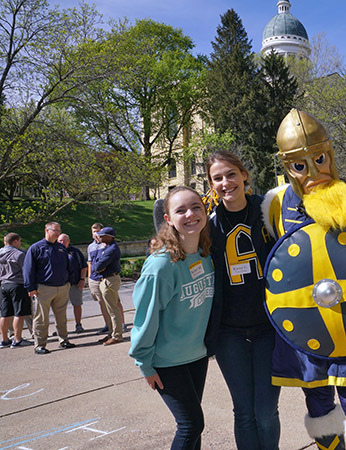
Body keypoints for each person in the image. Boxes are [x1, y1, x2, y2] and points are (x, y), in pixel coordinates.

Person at [263, 109, 346, 450]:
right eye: (300, 165)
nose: (314, 172)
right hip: (307, 324)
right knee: (316, 396)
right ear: (287, 166)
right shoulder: (276, 206)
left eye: (319, 159)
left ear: (330, 154)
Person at [204, 150, 281, 449]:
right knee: (244, 412)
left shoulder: (268, 209)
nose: (226, 182)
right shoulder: (208, 223)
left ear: (244, 175)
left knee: (265, 411)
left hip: (268, 327)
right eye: (218, 178)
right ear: (211, 183)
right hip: (229, 332)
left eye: (231, 174)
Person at [129, 186, 214, 449]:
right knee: (191, 425)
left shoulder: (205, 254)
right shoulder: (161, 265)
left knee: (193, 428)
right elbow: (145, 317)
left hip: (196, 355)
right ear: (168, 219)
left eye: (196, 207)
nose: (190, 214)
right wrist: (144, 362)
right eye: (181, 210)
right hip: (167, 360)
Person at [22, 222, 76, 354]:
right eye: (55, 230)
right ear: (47, 230)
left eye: (59, 230)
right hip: (44, 288)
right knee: (41, 318)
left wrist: (69, 282)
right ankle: (40, 345)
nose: (58, 233)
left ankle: (64, 340)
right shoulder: (36, 248)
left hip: (62, 287)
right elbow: (28, 269)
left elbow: (68, 267)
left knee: (61, 317)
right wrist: (30, 287)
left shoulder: (61, 248)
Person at [92, 227, 124, 345]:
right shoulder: (106, 248)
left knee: (112, 309)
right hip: (105, 279)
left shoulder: (112, 249)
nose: (99, 237)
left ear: (110, 237)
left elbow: (97, 266)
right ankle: (111, 333)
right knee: (107, 309)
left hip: (110, 280)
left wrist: (98, 265)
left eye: (102, 235)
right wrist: (98, 264)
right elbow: (97, 263)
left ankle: (117, 335)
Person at [0, 233, 32, 348]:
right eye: (19, 241)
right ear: (15, 241)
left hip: (3, 284)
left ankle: (4, 339)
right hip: (17, 284)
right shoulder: (19, 254)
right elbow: (27, 270)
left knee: (5, 314)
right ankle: (17, 339)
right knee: (19, 313)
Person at [57, 234, 87, 333]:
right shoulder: (54, 251)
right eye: (60, 240)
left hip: (75, 283)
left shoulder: (75, 252)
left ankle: (78, 324)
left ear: (69, 241)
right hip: (60, 284)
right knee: (60, 307)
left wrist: (82, 280)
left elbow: (83, 266)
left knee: (77, 304)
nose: (62, 242)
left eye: (64, 240)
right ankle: (61, 327)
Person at [88, 222, 111, 334]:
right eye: (94, 232)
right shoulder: (91, 247)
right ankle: (107, 324)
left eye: (98, 231)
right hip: (95, 278)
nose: (96, 234)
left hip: (106, 278)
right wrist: (89, 277)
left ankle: (121, 324)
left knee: (114, 302)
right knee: (101, 302)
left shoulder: (106, 244)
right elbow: (90, 263)